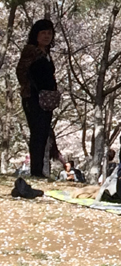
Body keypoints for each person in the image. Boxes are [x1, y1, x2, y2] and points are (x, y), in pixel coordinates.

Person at [16, 20, 59, 178]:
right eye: (43, 33)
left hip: (46, 98)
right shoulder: (31, 51)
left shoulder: (47, 54)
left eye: (49, 33)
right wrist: (28, 88)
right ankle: (36, 171)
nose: (47, 36)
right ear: (36, 35)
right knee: (37, 132)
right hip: (33, 97)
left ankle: (39, 170)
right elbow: (20, 71)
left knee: (43, 133)